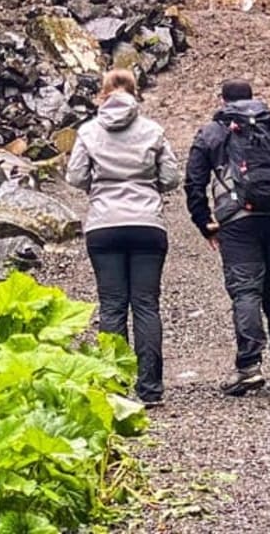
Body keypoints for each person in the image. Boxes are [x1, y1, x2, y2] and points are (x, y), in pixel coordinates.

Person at [185, 79, 270, 395]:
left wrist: (205, 222)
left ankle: (249, 367)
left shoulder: (211, 133)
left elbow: (193, 183)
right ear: (252, 98)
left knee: (246, 291)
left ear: (223, 100)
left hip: (237, 220)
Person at [66, 67, 181, 407]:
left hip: (104, 225)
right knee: (146, 305)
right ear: (135, 92)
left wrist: (99, 188)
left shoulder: (88, 131)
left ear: (103, 94)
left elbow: (74, 176)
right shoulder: (152, 130)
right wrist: (149, 187)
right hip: (147, 224)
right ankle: (151, 390)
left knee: (112, 306)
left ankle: (114, 386)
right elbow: (172, 176)